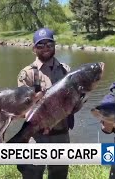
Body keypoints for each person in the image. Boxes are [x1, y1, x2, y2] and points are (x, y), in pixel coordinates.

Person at [16, 28, 74, 179]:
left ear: (54, 45)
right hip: (36, 135)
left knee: (59, 174)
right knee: (33, 174)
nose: (46, 48)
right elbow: (23, 108)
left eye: (49, 44)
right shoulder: (27, 73)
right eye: (40, 45)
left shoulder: (66, 70)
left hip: (62, 133)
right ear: (34, 48)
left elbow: (73, 101)